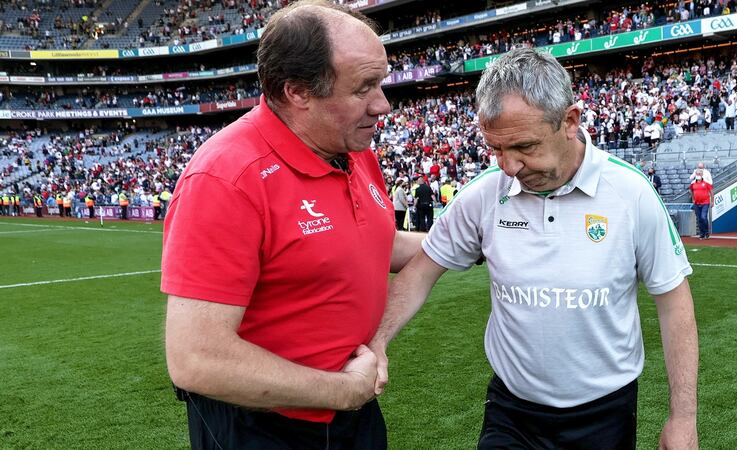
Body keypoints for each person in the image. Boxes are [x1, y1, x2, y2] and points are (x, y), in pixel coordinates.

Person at [369, 48, 698, 450]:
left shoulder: (630, 193)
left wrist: (683, 418)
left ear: (570, 121)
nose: (509, 166)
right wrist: (378, 342)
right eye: (496, 149)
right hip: (512, 413)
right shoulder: (485, 194)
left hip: (603, 415)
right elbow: (421, 270)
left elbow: (674, 300)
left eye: (524, 147)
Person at [160, 1, 424, 448]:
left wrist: (469, 240)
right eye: (364, 87)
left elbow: (374, 243)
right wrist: (342, 390)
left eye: (381, 81)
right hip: (263, 426)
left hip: (350, 410)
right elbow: (196, 359)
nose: (383, 104)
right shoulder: (228, 177)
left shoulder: (352, 148)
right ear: (298, 92)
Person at [689, 169, 713, 239]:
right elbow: (691, 191)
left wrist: (712, 201)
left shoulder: (706, 183)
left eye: (699, 174)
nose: (698, 175)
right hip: (696, 203)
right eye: (697, 174)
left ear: (702, 175)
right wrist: (693, 199)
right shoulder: (693, 184)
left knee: (703, 217)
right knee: (699, 219)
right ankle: (702, 233)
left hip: (705, 202)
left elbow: (711, 192)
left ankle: (706, 232)